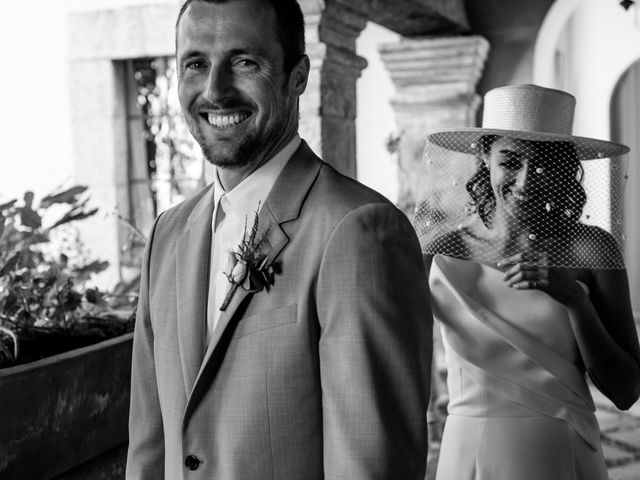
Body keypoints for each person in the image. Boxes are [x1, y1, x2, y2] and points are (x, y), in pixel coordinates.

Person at [125, 0, 433, 478]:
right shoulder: (167, 234)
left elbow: (372, 463)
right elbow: (148, 444)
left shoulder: (359, 230)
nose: (214, 90)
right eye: (196, 64)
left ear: (298, 77)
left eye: (245, 62)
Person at [413, 84, 640, 479]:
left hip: (562, 452)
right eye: (511, 162)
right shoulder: (441, 247)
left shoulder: (590, 249)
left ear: (565, 168)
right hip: (468, 450)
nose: (526, 182)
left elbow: (626, 391)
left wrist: (574, 299)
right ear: (485, 155)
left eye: (545, 165)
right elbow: (394, 352)